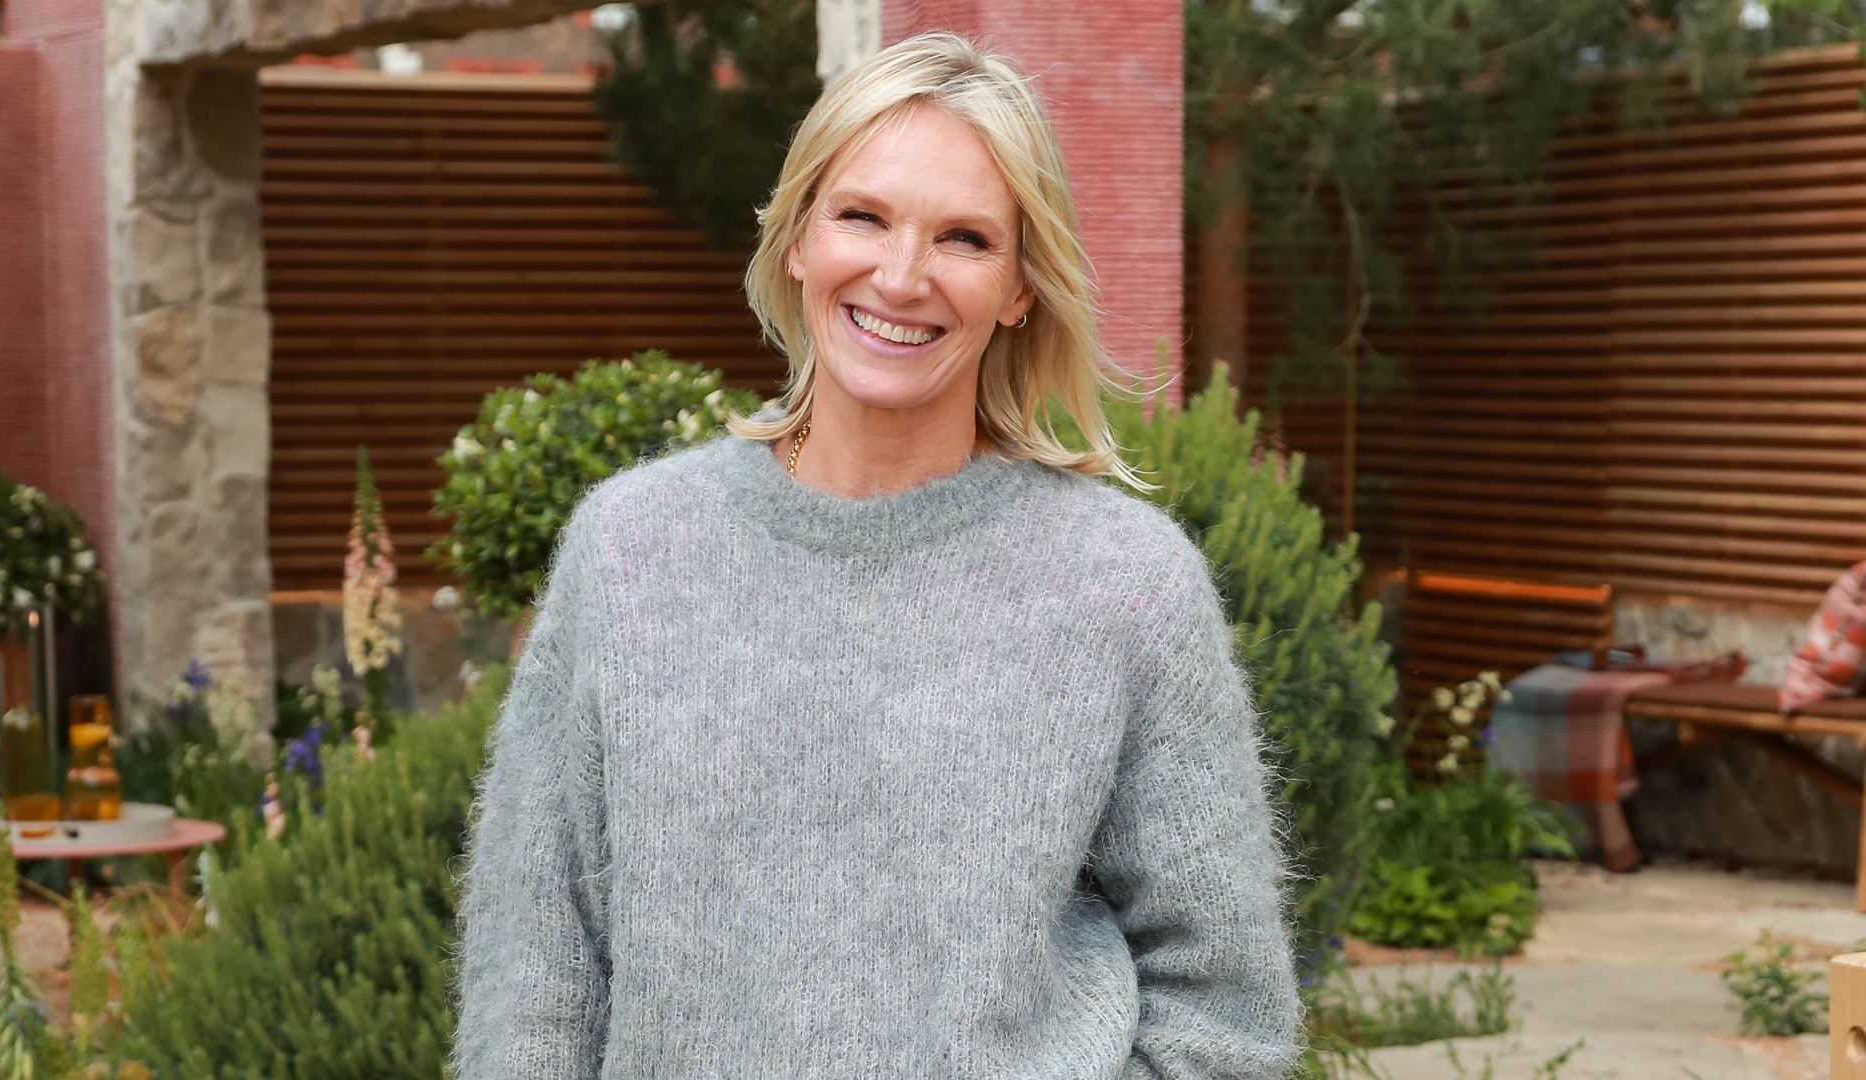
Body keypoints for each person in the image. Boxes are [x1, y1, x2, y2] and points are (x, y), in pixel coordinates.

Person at [451, 30, 1300, 1080]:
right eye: (863, 216)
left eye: (964, 239)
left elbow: (1225, 1008)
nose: (901, 278)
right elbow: (536, 961)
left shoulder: (1123, 585)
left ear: (1021, 287)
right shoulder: (632, 554)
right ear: (800, 236)